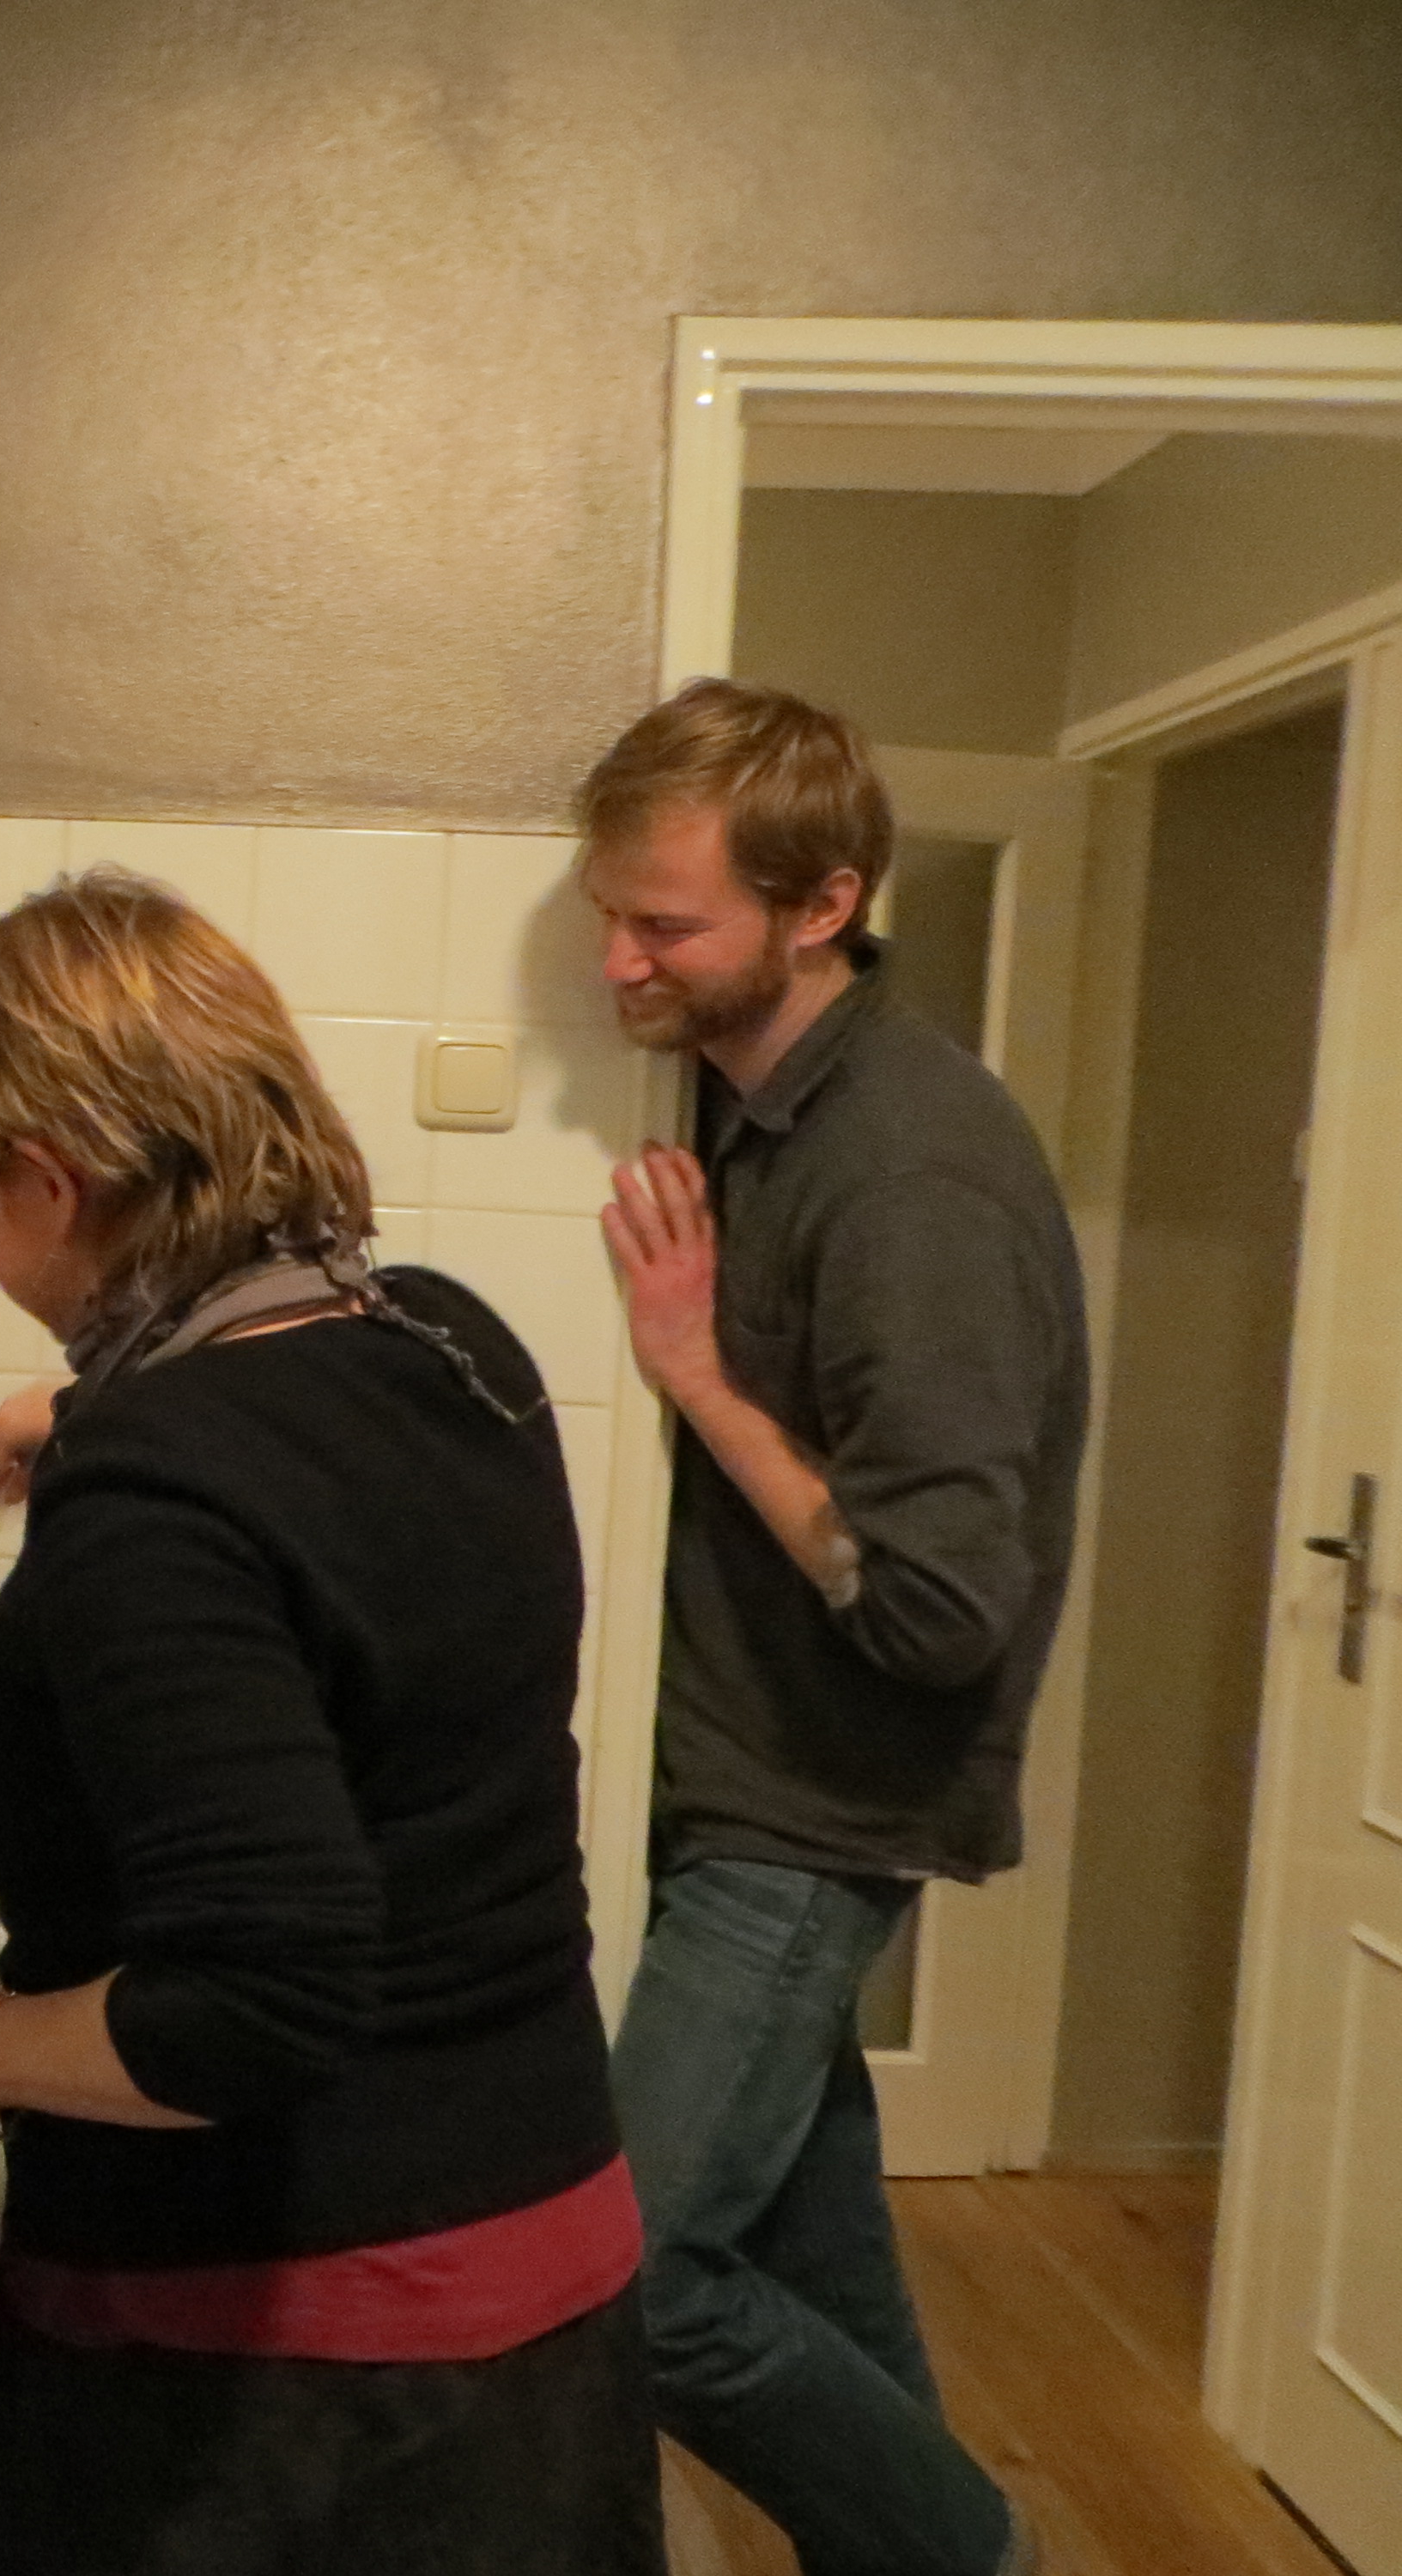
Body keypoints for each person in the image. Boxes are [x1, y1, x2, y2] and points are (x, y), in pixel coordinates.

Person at [0, 870, 662, 2576]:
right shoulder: (447, 1346)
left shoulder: (159, 1496)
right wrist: (88, 1408)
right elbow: (323, 1543)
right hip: (544, 2264)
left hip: (292, 2378)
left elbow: (253, 2006)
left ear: (52, 1181)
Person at [581, 678, 1085, 2576]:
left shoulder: (911, 1169)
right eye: (608, 912)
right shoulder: (752, 1102)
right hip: (739, 1773)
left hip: (811, 1811)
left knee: (634, 2278)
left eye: (665, 924)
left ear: (822, 906)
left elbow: (940, 1610)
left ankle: (974, 2553)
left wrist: (697, 1377)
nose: (617, 961)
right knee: (810, 2251)